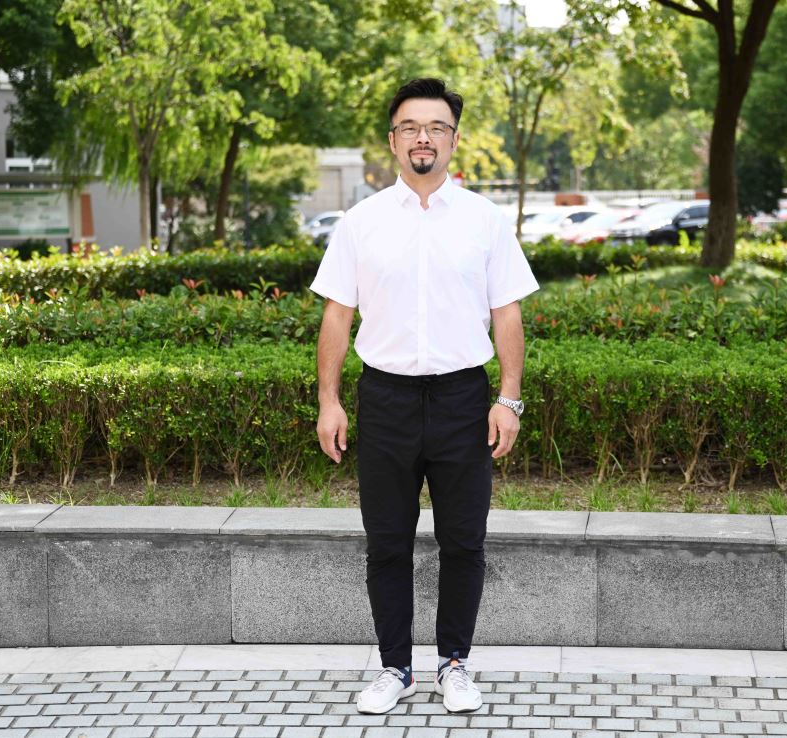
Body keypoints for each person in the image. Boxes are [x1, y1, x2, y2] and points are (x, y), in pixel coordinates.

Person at [309, 78, 539, 715]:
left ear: (453, 140)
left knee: (463, 541)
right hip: (385, 400)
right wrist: (329, 400)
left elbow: (508, 312)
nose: (423, 138)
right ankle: (396, 668)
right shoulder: (361, 222)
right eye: (410, 127)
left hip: (464, 400)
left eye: (436, 127)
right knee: (387, 543)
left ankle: (454, 664)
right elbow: (336, 315)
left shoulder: (485, 220)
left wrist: (509, 399)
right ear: (393, 141)